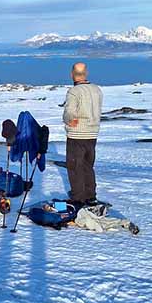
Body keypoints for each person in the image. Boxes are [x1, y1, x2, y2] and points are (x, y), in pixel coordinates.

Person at [63, 62, 103, 204]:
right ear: (86, 74)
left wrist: (69, 120)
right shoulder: (97, 90)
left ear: (72, 74)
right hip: (92, 133)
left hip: (77, 134)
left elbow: (69, 112)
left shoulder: (74, 92)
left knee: (75, 167)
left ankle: (78, 198)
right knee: (87, 165)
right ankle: (90, 195)